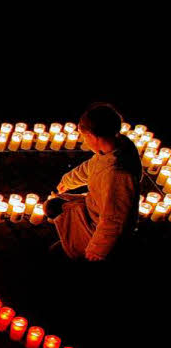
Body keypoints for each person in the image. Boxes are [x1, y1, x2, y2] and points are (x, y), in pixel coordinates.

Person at [45, 103, 141, 261]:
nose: (85, 141)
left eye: (84, 137)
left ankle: (83, 252)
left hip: (99, 227)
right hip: (93, 208)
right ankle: (73, 238)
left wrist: (96, 251)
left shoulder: (118, 175)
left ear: (92, 136)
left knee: (57, 256)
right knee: (53, 205)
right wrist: (68, 181)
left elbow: (114, 220)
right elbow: (91, 167)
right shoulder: (113, 148)